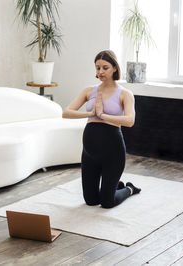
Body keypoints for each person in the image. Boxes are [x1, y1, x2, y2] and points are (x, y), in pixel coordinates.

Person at [62, 50, 141, 208]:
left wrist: (103, 116)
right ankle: (112, 186)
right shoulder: (89, 91)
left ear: (114, 68)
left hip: (113, 152)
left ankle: (129, 188)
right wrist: (91, 113)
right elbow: (66, 112)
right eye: (97, 68)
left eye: (105, 67)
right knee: (91, 201)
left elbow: (130, 120)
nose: (100, 72)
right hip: (89, 153)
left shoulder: (125, 94)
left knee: (107, 202)